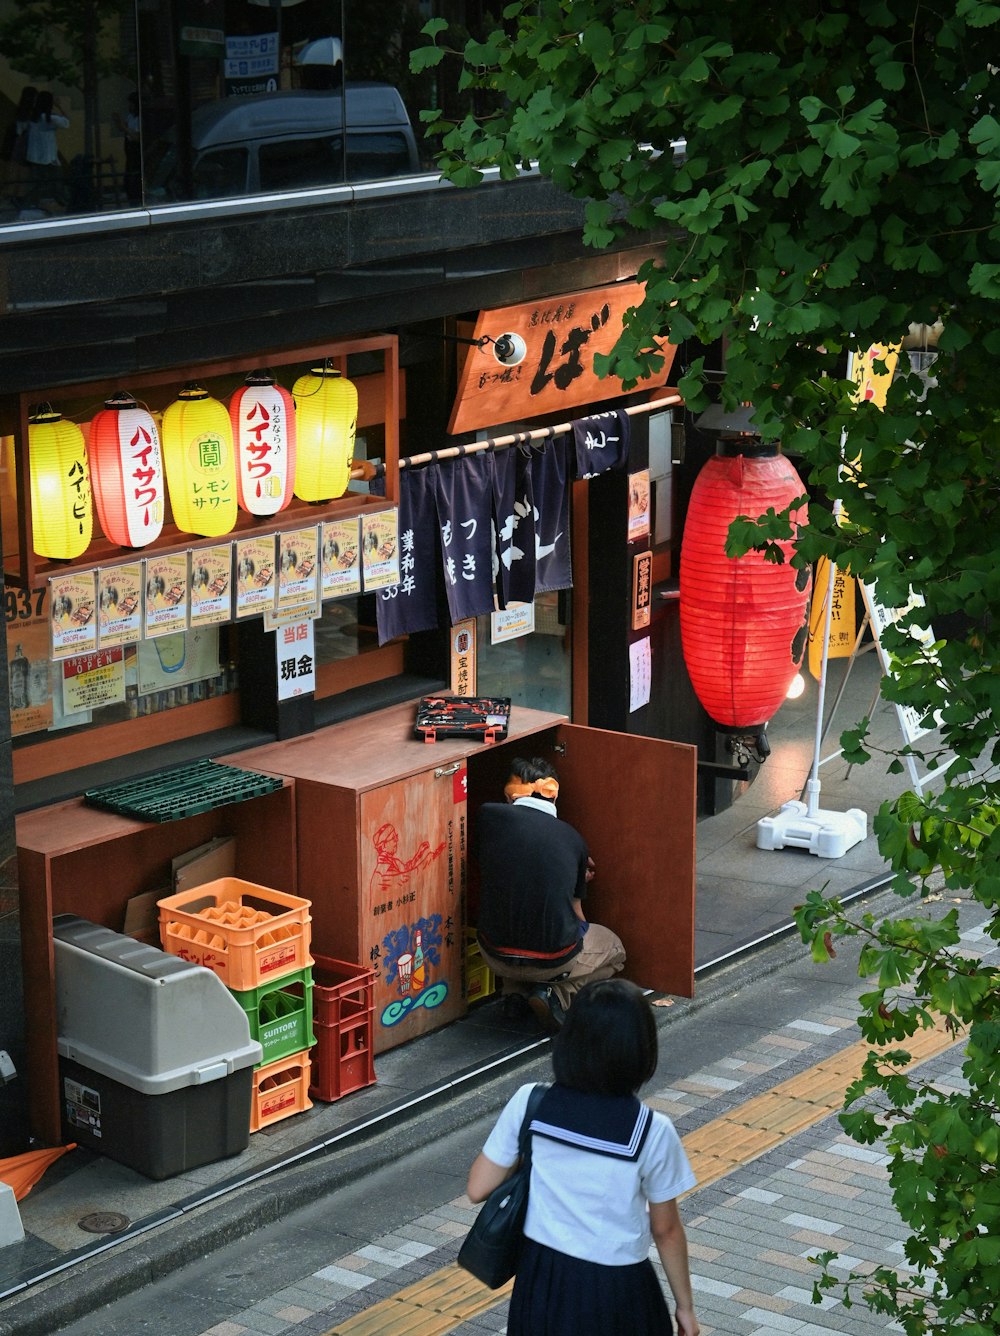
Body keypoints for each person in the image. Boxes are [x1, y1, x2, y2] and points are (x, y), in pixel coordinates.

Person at [467, 979, 700, 1336]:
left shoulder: (532, 1103)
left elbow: (478, 1188)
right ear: (639, 1050)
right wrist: (685, 1307)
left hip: (542, 1281)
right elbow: (665, 1230)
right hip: (619, 1287)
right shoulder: (650, 1130)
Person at [473, 755, 625, 1031]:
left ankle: (514, 995)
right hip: (552, 962)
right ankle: (556, 994)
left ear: (510, 795)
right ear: (553, 796)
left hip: (493, 953)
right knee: (615, 948)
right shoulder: (572, 839)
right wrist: (573, 877)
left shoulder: (487, 817)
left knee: (515, 918)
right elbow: (578, 919)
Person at [23, 90, 69, 211]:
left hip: (34, 157)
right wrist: (59, 106)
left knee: (37, 185)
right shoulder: (49, 119)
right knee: (56, 183)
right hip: (49, 158)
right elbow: (66, 123)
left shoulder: (34, 118)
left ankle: (28, 205)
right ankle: (61, 204)